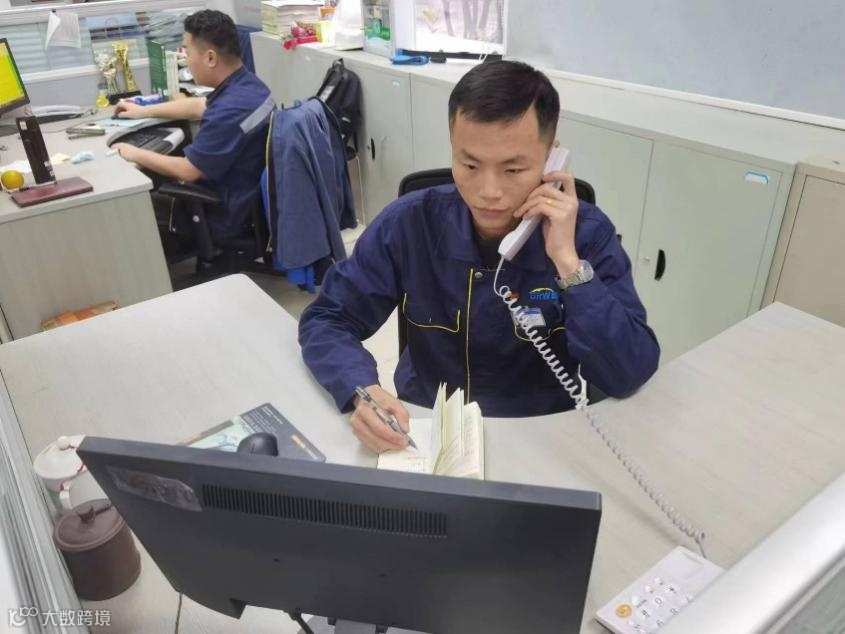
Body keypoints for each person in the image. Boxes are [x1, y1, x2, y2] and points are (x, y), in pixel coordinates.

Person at [299, 60, 660, 453]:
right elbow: (328, 318)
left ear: (552, 159)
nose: (488, 191)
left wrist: (568, 263)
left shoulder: (586, 234)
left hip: (545, 438)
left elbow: (630, 370)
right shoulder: (409, 224)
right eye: (469, 164)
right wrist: (361, 390)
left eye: (513, 169)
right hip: (426, 431)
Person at [111, 9, 274, 240]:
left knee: (128, 208)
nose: (186, 60)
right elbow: (199, 106)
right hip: (244, 197)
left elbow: (187, 171)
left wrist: (133, 153)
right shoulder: (248, 86)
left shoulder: (230, 110)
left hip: (224, 213)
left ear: (210, 58)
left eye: (187, 53)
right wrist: (142, 111)